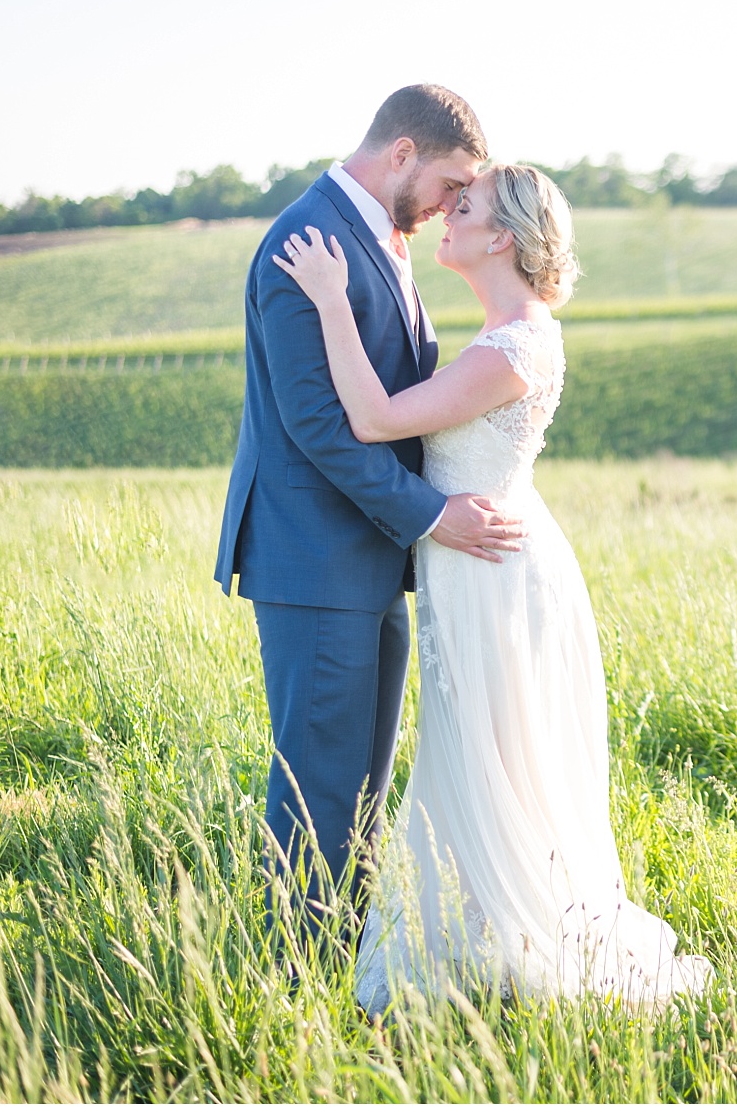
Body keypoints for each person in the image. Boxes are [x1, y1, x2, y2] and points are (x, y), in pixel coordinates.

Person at [272, 163, 711, 1014]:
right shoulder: (509, 331)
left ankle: (518, 943)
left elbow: (373, 421)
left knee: (492, 757)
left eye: (462, 208)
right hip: (485, 562)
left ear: (500, 236)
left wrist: (331, 299)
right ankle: (489, 935)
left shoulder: (512, 347)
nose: (445, 217)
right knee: (490, 759)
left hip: (492, 575)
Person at [213, 85, 528, 947]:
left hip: (371, 555)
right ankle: (293, 972)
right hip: (315, 559)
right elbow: (318, 423)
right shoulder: (304, 240)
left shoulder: (383, 239)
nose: (450, 206)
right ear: (402, 155)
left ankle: (345, 959)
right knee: (318, 782)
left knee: (360, 786)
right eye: (449, 184)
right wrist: (431, 516)